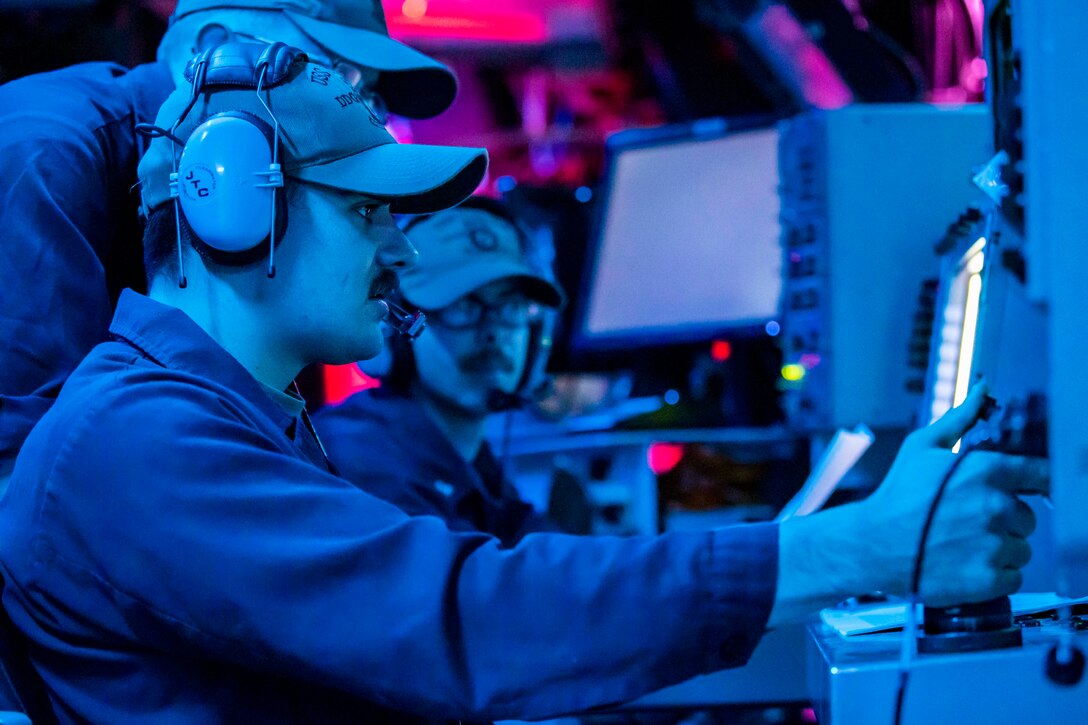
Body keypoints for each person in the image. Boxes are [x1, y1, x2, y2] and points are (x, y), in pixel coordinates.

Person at [0, 46, 1046, 723]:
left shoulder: (227, 420)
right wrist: (858, 545)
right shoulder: (138, 443)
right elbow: (455, 615)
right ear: (232, 209)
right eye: (368, 213)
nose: (400, 259)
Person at [0, 0, 456, 483]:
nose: (355, 115)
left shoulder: (225, 206)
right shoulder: (46, 154)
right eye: (332, 76)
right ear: (213, 49)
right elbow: (23, 476)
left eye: (366, 98)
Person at [313, 197, 583, 546]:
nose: (492, 331)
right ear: (395, 327)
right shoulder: (360, 459)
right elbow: (478, 586)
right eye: (462, 305)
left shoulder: (476, 467)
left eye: (510, 305)